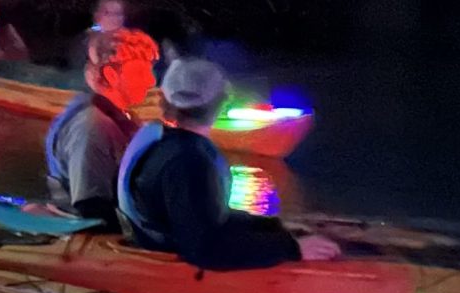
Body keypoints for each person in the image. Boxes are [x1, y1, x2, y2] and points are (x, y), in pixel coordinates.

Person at [116, 57, 341, 268]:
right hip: (173, 267)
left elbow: (204, 217)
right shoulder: (187, 161)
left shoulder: (169, 146)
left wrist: (271, 226)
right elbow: (204, 248)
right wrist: (292, 248)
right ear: (222, 100)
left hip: (164, 241)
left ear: (165, 102)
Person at [45, 28, 160, 223]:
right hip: (86, 228)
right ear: (111, 75)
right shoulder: (92, 127)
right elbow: (91, 207)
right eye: (141, 71)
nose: (151, 81)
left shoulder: (122, 117)